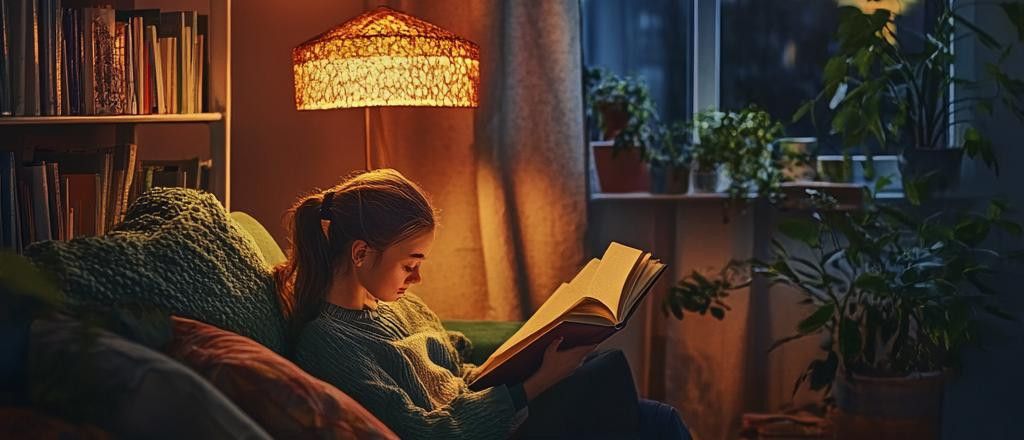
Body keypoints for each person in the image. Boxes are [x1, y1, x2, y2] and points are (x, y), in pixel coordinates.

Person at [279, 169, 690, 439]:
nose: (417, 279)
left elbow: (457, 374)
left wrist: (522, 360)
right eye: (409, 264)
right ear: (360, 253)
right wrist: (537, 384)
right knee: (618, 385)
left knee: (651, 416)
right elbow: (424, 433)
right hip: (486, 433)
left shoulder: (402, 306)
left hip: (495, 416)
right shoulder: (328, 344)